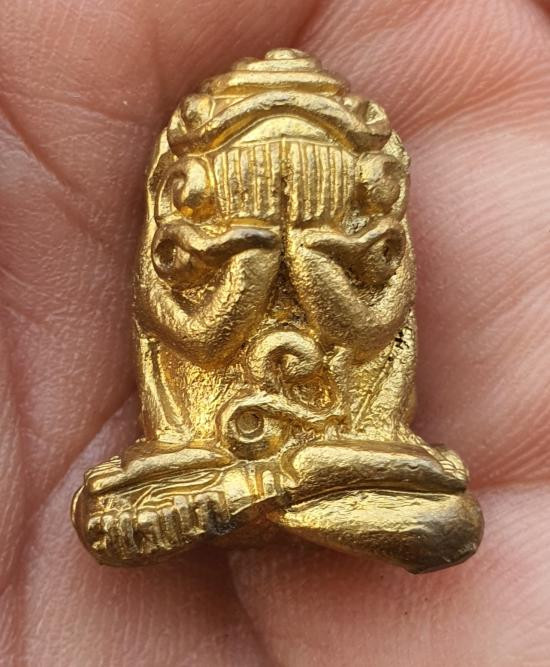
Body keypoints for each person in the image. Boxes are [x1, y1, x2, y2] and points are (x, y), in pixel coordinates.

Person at [1, 0, 549, 664]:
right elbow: (201, 340)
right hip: (211, 452)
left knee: (450, 524)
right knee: (105, 517)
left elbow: (367, 331)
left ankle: (252, 494)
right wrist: (250, 264)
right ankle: (273, 493)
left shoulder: (368, 245)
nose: (285, 197)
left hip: (343, 447)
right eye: (256, 181)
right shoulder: (183, 251)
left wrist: (313, 260)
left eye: (313, 180)